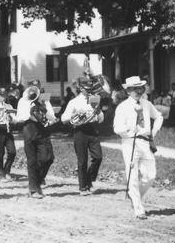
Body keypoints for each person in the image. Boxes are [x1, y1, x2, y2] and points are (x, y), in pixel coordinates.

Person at [113, 76, 163, 220]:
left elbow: (159, 116)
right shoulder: (122, 107)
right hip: (130, 143)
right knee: (133, 176)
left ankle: (135, 196)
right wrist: (130, 129)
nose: (138, 91)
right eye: (135, 89)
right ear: (128, 91)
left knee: (150, 176)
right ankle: (138, 207)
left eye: (140, 88)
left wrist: (154, 131)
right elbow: (117, 128)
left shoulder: (147, 104)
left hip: (145, 142)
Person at [61, 75, 106, 195]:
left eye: (91, 89)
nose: (90, 91)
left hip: (92, 129)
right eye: (87, 89)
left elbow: (101, 119)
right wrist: (74, 114)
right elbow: (63, 118)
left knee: (98, 157)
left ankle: (89, 179)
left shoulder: (94, 99)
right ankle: (82, 187)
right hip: (80, 131)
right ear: (81, 88)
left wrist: (98, 110)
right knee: (82, 161)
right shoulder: (73, 102)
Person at [22, 97, 54, 199]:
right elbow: (19, 117)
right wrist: (30, 114)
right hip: (29, 129)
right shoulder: (23, 101)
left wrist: (44, 110)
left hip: (42, 130)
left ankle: (36, 183)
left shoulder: (45, 101)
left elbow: (52, 118)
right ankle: (33, 189)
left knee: (48, 158)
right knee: (32, 161)